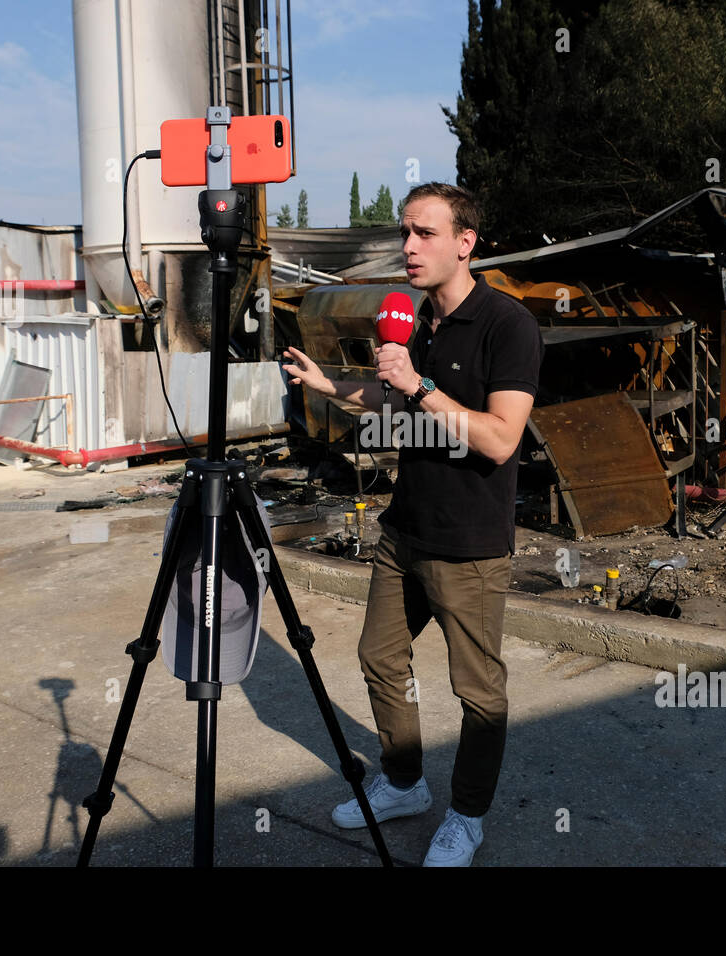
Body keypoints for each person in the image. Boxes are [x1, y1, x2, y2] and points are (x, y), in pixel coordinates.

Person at [282, 182, 542, 866]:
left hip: (470, 545)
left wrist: (421, 386)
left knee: (477, 692)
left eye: (424, 233)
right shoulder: (418, 320)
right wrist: (330, 384)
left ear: (465, 242)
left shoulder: (507, 326)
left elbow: (498, 438)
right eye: (405, 232)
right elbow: (392, 394)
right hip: (406, 530)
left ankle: (468, 817)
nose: (407, 247)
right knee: (378, 657)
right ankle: (403, 783)